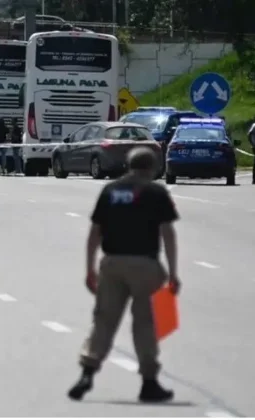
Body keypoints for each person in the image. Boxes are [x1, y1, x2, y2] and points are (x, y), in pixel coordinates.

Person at [67, 147, 180, 403]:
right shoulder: (156, 192)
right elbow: (168, 233)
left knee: (104, 319)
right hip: (145, 265)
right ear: (152, 168)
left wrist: (90, 268)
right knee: (146, 324)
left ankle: (87, 372)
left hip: (112, 264)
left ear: (128, 165)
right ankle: (149, 382)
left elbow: (94, 233)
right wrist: (173, 272)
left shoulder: (111, 191)